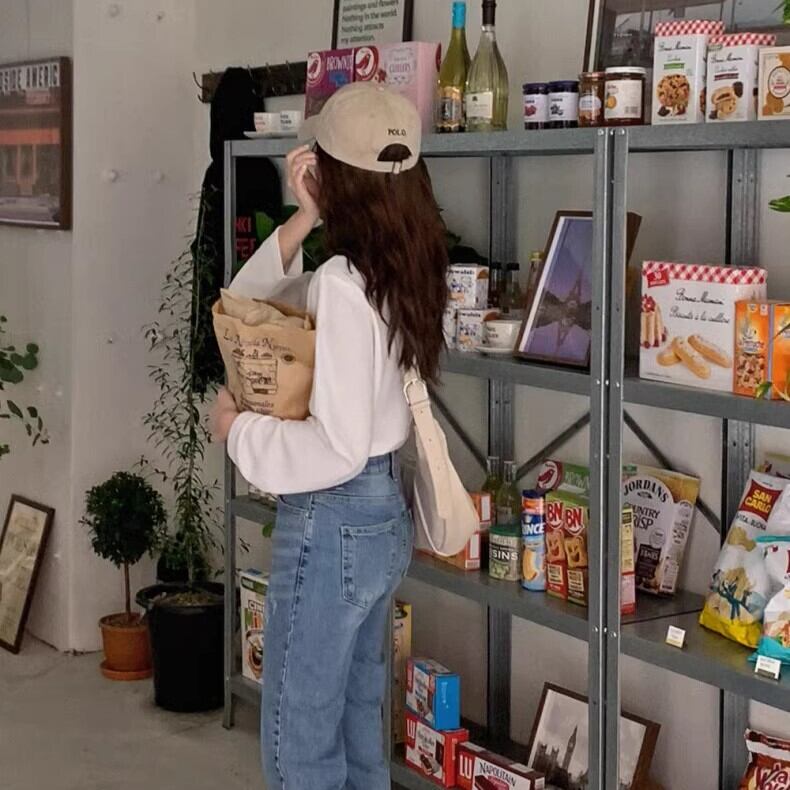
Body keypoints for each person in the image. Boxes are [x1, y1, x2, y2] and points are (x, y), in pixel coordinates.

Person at [209, 82, 450, 790]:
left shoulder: (345, 280)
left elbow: (335, 445)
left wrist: (239, 431)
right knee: (357, 727)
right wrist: (307, 216)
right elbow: (252, 303)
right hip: (381, 513)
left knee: (299, 738)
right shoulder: (407, 261)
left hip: (334, 515)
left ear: (333, 171)